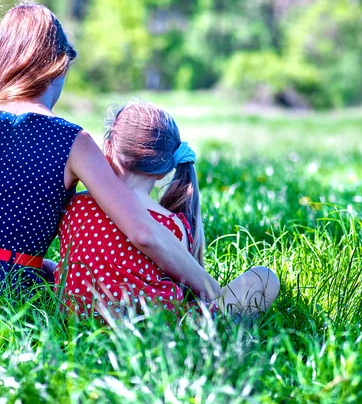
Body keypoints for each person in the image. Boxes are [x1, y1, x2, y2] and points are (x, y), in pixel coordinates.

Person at [0, 1, 217, 320]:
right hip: (6, 298)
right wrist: (209, 288)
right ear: (60, 65)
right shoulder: (71, 141)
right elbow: (143, 233)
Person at [54, 101, 280, 321]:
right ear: (163, 170)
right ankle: (222, 332)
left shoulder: (75, 205)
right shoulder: (171, 224)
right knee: (264, 278)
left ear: (108, 148)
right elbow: (187, 287)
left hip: (76, 319)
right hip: (154, 327)